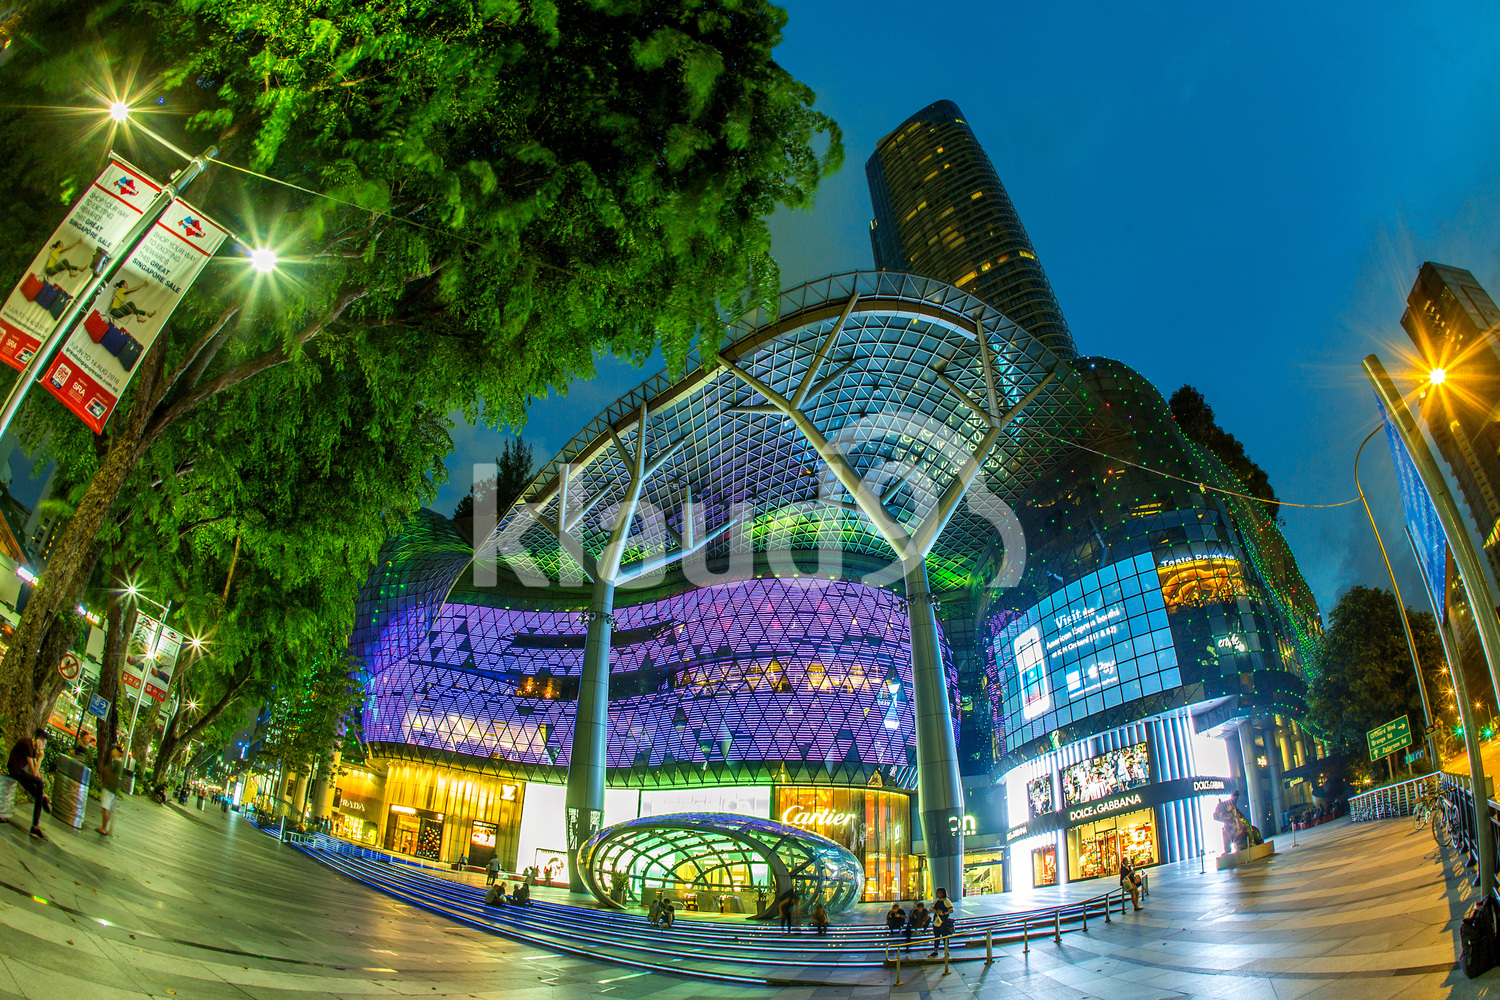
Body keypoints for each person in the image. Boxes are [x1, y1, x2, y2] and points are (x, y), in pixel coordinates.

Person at [6, 728, 51, 840]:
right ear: (39, 741)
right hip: (14, 769)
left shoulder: (33, 748)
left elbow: (36, 775)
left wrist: (43, 794)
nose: (43, 748)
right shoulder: (27, 745)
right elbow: (34, 771)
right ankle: (36, 824)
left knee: (38, 794)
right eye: (43, 744)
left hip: (20, 771)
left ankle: (35, 826)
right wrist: (41, 758)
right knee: (39, 784)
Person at [95, 746, 124, 836]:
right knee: (107, 808)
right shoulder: (115, 762)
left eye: (114, 750)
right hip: (111, 788)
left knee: (105, 808)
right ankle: (104, 827)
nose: (112, 751)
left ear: (118, 752)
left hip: (109, 787)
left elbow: (114, 776)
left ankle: (104, 828)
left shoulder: (116, 763)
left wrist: (106, 774)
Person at [929, 887, 954, 958]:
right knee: (936, 936)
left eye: (939, 893)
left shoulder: (946, 901)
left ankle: (946, 952)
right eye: (937, 893)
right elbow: (932, 908)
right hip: (936, 921)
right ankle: (935, 951)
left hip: (943, 921)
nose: (938, 894)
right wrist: (934, 911)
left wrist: (944, 913)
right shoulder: (936, 902)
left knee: (944, 937)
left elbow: (951, 910)